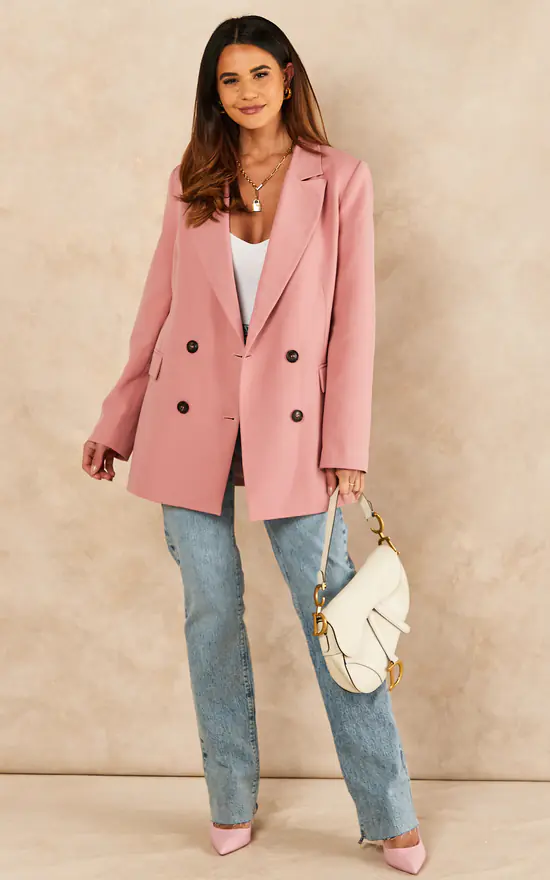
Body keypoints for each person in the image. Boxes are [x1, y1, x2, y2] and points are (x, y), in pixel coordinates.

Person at [82, 14, 426, 875]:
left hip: (295, 431)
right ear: (216, 91)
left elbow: (353, 323)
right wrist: (117, 421)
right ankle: (229, 797)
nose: (245, 93)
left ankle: (388, 813)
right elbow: (157, 309)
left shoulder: (338, 177)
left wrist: (346, 442)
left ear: (288, 77)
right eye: (228, 79)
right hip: (188, 422)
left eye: (259, 75)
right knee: (210, 615)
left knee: (336, 615)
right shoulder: (192, 179)